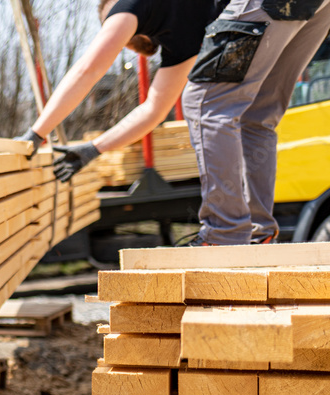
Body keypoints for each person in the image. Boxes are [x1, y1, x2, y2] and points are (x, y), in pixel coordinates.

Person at [17, 0, 227, 186]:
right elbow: (154, 111)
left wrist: (36, 134)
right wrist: (94, 148)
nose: (112, 27)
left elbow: (88, 70)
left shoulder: (128, 6)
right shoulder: (180, 44)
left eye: (109, 22)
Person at [182, 1, 330, 245]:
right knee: (257, 114)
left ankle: (224, 233)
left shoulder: (125, 11)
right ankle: (259, 233)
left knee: (206, 102)